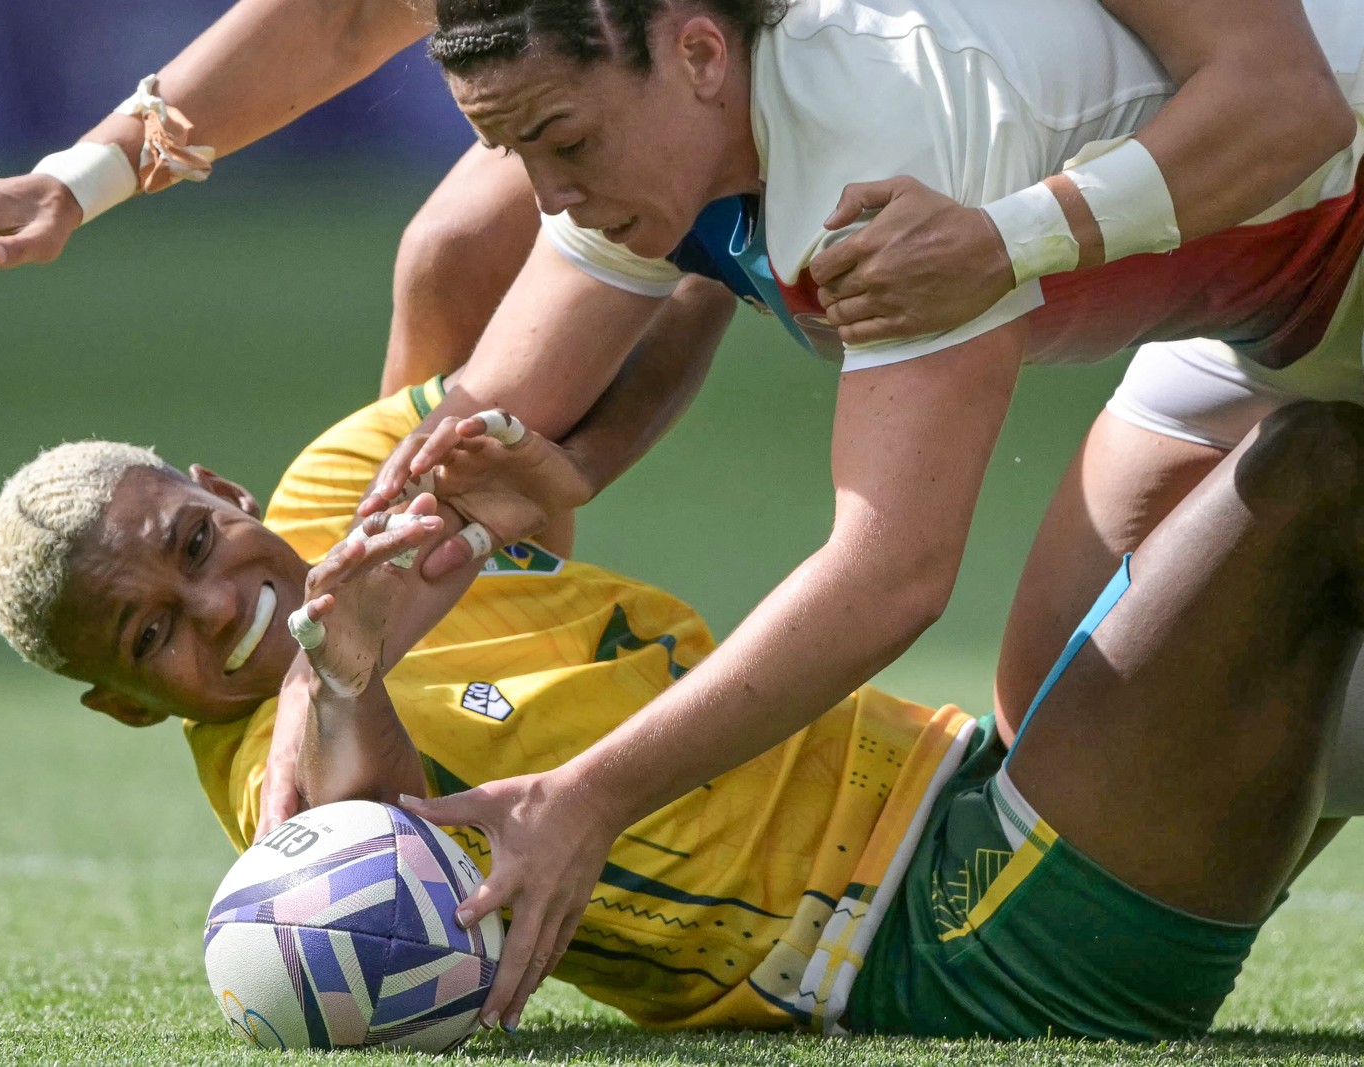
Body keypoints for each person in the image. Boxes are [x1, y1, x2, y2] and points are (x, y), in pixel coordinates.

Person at [347, 0, 1364, 1030]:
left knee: (1249, 678)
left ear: (700, 53)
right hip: (1275, 319)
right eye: (515, 152)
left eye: (566, 140)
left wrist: (590, 797)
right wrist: (320, 673)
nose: (551, 193)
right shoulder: (676, 150)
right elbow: (471, 431)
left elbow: (891, 575)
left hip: (1338, 227)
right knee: (1060, 733)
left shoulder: (873, 115)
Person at [0, 384, 1364, 1039]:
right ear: (124, 705)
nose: (215, 607)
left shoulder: (348, 476)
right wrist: (337, 675)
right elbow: (359, 852)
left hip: (980, 780)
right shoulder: (266, 791)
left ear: (223, 488)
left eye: (192, 543)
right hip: (947, 955)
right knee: (1311, 465)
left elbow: (636, 277)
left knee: (1210, 382)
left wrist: (551, 449)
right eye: (154, 631)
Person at [0, 0, 1352, 351]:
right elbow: (360, 8)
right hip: (1226, 279)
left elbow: (1286, 96)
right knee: (459, 259)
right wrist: (88, 174)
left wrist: (1014, 237)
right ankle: (444, 645)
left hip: (1310, 194)